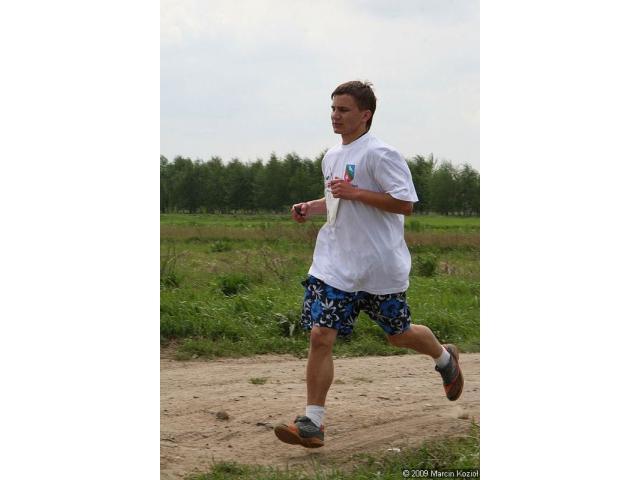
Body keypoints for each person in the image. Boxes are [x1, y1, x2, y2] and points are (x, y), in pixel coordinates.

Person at [274, 81, 463, 449]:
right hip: (335, 265)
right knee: (320, 335)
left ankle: (445, 358)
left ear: (365, 115)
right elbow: (338, 200)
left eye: (343, 110)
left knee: (398, 335)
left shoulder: (381, 154)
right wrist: (311, 207)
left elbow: (405, 203)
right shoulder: (331, 156)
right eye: (333, 108)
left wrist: (356, 192)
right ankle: (312, 422)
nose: (335, 115)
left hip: (379, 267)